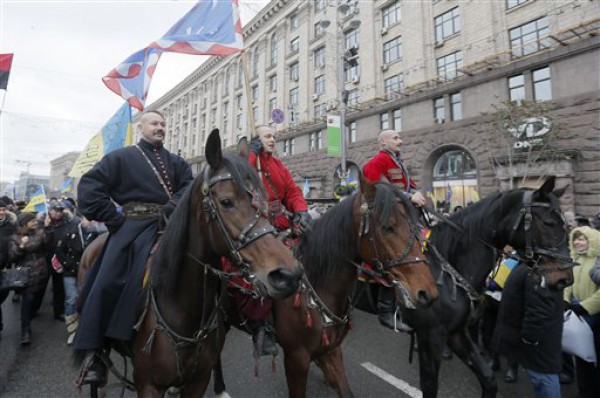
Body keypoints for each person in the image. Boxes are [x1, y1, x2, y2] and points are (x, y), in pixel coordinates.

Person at [73, 110, 193, 385]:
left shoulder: (176, 162)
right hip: (132, 227)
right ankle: (95, 352)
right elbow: (90, 187)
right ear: (141, 128)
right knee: (106, 281)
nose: (160, 127)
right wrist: (113, 217)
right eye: (154, 123)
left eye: (163, 124)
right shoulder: (121, 157)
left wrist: (173, 206)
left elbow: (190, 185)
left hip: (171, 225)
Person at [240, 125, 310, 356]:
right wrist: (251, 153)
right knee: (262, 269)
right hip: (256, 224)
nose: (273, 139)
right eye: (268, 136)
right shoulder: (250, 159)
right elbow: (240, 178)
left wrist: (301, 210)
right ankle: (262, 326)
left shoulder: (278, 164)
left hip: (280, 222)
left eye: (274, 136)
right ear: (256, 140)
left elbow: (292, 191)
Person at [362, 129, 426, 331]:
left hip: (404, 216)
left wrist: (417, 193)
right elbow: (381, 190)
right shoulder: (376, 163)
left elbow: (409, 185)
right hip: (384, 219)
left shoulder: (398, 162)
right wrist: (409, 197)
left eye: (400, 137)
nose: (401, 141)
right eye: (396, 138)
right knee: (391, 260)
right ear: (383, 143)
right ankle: (385, 311)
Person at [493, 260, 565, 398]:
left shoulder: (540, 269)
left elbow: (539, 311)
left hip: (539, 345)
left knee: (544, 379)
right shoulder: (530, 264)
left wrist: (529, 338)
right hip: (535, 343)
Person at [563, 226, 600, 398]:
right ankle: (585, 391)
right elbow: (567, 283)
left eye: (582, 238)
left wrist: (585, 306)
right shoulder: (573, 259)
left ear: (592, 240)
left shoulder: (597, 261)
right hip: (577, 314)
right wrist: (566, 301)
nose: (577, 242)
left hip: (594, 315)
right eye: (576, 238)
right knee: (581, 355)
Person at [45, 199, 85, 345]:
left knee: (81, 298)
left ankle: (82, 327)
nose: (59, 213)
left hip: (82, 270)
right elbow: (57, 248)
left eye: (61, 210)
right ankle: (72, 330)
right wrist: (68, 263)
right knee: (69, 299)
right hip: (66, 267)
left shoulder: (77, 226)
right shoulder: (55, 226)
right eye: (56, 210)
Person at [7, 212, 50, 345]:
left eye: (35, 221)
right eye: (32, 221)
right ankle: (26, 331)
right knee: (28, 299)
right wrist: (21, 246)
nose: (35, 223)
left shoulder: (40, 233)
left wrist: (48, 228)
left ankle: (32, 312)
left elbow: (48, 244)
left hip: (41, 271)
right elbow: (12, 257)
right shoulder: (14, 238)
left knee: (36, 299)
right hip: (26, 274)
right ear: (24, 223)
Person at [0, 197, 18, 336]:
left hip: (4, 268)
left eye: (3, 209)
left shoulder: (11, 226)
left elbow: (14, 247)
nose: (1, 212)